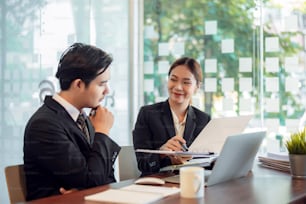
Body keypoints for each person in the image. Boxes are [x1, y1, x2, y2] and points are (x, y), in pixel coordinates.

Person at [23, 43, 121, 200]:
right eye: (102, 84)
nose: (107, 91)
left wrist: (87, 190)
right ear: (79, 84)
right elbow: (93, 180)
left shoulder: (85, 119)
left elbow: (105, 177)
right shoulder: (44, 125)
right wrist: (102, 132)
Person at [133, 57, 211, 176]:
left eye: (186, 82)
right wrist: (161, 153)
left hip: (192, 182)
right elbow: (142, 163)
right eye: (173, 79)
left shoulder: (204, 120)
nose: (178, 87)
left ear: (197, 87)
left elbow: (209, 162)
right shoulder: (148, 114)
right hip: (156, 184)